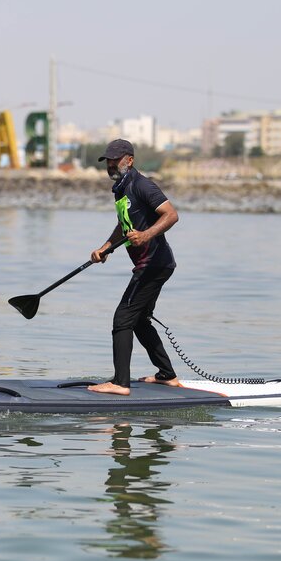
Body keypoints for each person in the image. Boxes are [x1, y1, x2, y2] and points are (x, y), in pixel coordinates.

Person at [88, 138, 180, 395]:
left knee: (123, 319)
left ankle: (120, 383)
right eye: (108, 160)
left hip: (153, 264)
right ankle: (167, 375)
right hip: (151, 264)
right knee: (139, 321)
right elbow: (125, 225)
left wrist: (146, 235)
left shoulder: (142, 185)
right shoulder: (121, 189)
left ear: (130, 160)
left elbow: (171, 214)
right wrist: (106, 246)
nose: (110, 164)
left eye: (115, 160)